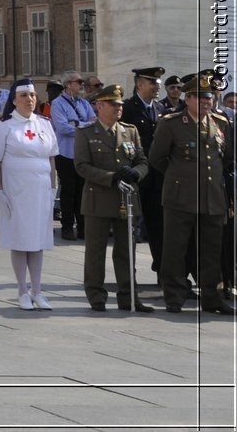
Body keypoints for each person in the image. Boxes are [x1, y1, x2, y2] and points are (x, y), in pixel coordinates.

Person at [147, 71, 236, 315]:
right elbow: (156, 158)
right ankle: (174, 296)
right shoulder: (171, 123)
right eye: (199, 97)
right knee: (176, 248)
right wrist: (180, 177)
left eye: (208, 98)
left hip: (212, 197)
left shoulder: (221, 123)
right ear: (188, 99)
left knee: (211, 250)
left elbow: (226, 158)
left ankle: (212, 297)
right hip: (180, 196)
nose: (205, 102)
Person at [73, 83, 153, 313]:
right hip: (98, 198)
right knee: (96, 251)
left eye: (119, 104)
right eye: (112, 104)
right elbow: (81, 166)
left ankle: (129, 297)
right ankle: (96, 295)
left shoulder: (130, 131)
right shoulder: (86, 133)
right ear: (99, 106)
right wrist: (111, 177)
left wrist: (136, 173)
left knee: (126, 251)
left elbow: (142, 161)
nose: (118, 108)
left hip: (126, 198)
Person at [0, 78, 59, 310]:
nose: (29, 100)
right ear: (14, 100)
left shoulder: (44, 123)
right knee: (20, 239)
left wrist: (53, 186)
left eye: (32, 95)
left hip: (40, 188)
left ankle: (37, 290)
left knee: (38, 239)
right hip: (16, 189)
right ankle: (22, 291)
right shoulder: (4, 125)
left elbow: (51, 157)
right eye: (24, 96)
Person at [120, 66, 165, 273]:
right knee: (131, 229)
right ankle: (129, 276)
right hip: (135, 177)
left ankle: (162, 272)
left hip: (156, 178)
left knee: (159, 228)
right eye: (153, 82)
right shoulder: (128, 108)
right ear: (139, 85)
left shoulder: (160, 109)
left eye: (158, 82)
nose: (158, 86)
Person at [50, 70, 96, 241]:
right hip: (66, 153)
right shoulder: (58, 103)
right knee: (68, 191)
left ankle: (83, 227)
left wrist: (77, 124)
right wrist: (84, 126)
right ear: (68, 84)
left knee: (82, 191)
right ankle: (67, 227)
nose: (82, 85)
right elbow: (62, 127)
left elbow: (94, 124)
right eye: (79, 82)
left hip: (83, 153)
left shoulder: (84, 103)